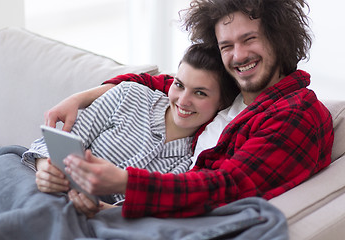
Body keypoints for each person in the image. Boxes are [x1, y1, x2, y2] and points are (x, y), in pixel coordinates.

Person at [45, 0, 334, 219]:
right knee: (14, 162)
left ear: (278, 37)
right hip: (154, 209)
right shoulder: (234, 90)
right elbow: (163, 82)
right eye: (226, 46)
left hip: (186, 221)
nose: (239, 55)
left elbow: (227, 187)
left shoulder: (297, 113)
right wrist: (82, 98)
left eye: (249, 39)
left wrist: (126, 182)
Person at [22, 43, 239, 217]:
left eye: (200, 93)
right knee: (6, 162)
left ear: (221, 103)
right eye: (179, 85)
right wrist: (44, 169)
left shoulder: (193, 160)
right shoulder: (130, 95)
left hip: (97, 219)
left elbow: (151, 212)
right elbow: (51, 144)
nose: (183, 101)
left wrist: (101, 210)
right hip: (50, 189)